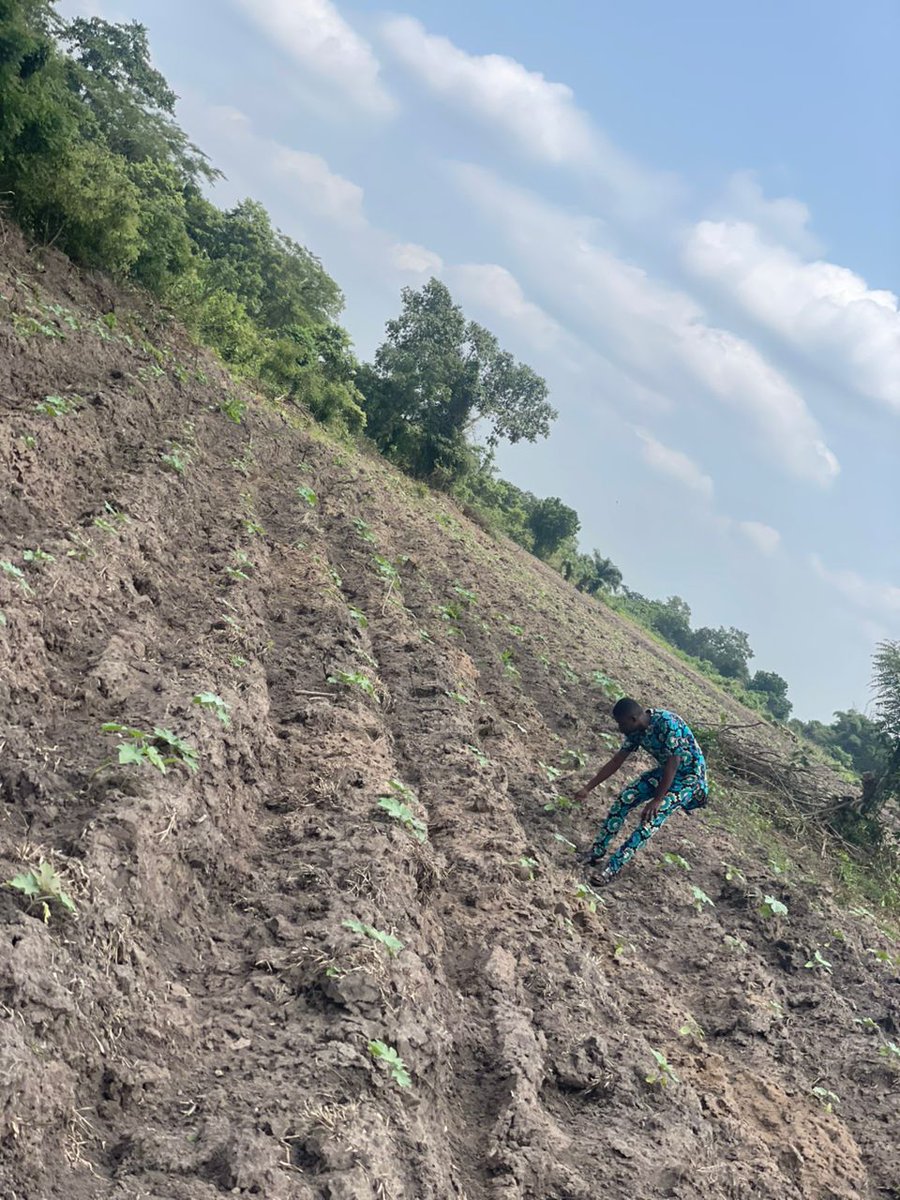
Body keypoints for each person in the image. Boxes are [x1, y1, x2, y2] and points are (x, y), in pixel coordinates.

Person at [575, 697, 708, 881]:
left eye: (621, 724)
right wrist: (588, 788)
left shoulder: (666, 723)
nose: (620, 729)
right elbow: (616, 761)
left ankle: (612, 869)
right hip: (668, 772)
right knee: (625, 799)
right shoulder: (635, 732)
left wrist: (657, 800)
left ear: (632, 719)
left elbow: (673, 762)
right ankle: (596, 853)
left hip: (690, 778)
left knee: (650, 820)